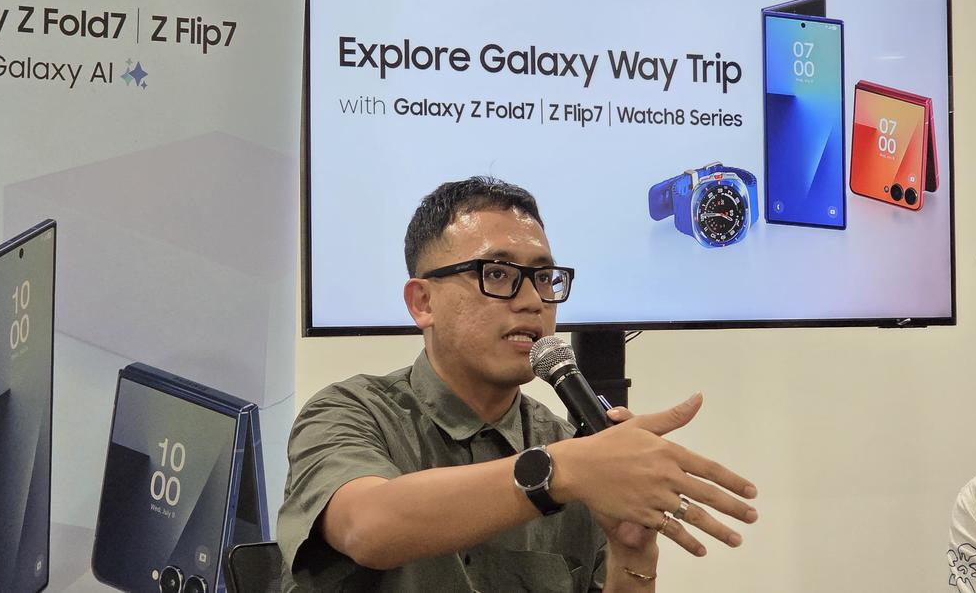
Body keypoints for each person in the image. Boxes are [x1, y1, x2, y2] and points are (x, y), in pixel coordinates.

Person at [278, 176, 758, 591]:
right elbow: (367, 527)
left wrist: (632, 552)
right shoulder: (349, 411)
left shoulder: (571, 449)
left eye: (544, 278)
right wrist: (557, 473)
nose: (533, 300)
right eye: (498, 273)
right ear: (423, 302)